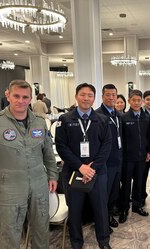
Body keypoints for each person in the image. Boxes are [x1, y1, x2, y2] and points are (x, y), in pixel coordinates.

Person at [0, 80, 58, 248]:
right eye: (16, 96)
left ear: (30, 99)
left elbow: (48, 152)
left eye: (25, 97)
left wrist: (52, 174)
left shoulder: (39, 122)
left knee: (41, 229)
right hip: (10, 188)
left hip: (38, 184)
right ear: (8, 95)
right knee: (10, 233)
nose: (21, 101)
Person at [55, 83, 112, 249]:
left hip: (98, 173)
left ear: (94, 98)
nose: (86, 98)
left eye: (90, 95)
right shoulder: (65, 119)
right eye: (83, 94)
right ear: (76, 96)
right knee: (75, 210)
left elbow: (107, 145)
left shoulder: (102, 119)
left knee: (101, 209)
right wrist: (81, 167)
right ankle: (76, 243)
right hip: (73, 173)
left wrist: (93, 168)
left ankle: (104, 242)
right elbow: (61, 146)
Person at [119, 89, 150, 223]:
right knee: (126, 184)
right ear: (129, 101)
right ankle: (124, 208)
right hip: (127, 158)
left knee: (139, 183)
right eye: (134, 100)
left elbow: (148, 136)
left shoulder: (146, 117)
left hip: (142, 157)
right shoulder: (123, 118)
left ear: (142, 101)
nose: (137, 103)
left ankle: (137, 206)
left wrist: (148, 151)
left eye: (139, 100)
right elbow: (120, 138)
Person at [95, 84, 123, 233]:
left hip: (118, 160)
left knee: (114, 192)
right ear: (102, 96)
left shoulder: (118, 114)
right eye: (108, 95)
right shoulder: (98, 115)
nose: (111, 98)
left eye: (114, 95)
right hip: (105, 163)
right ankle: (102, 221)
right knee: (103, 194)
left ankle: (109, 215)